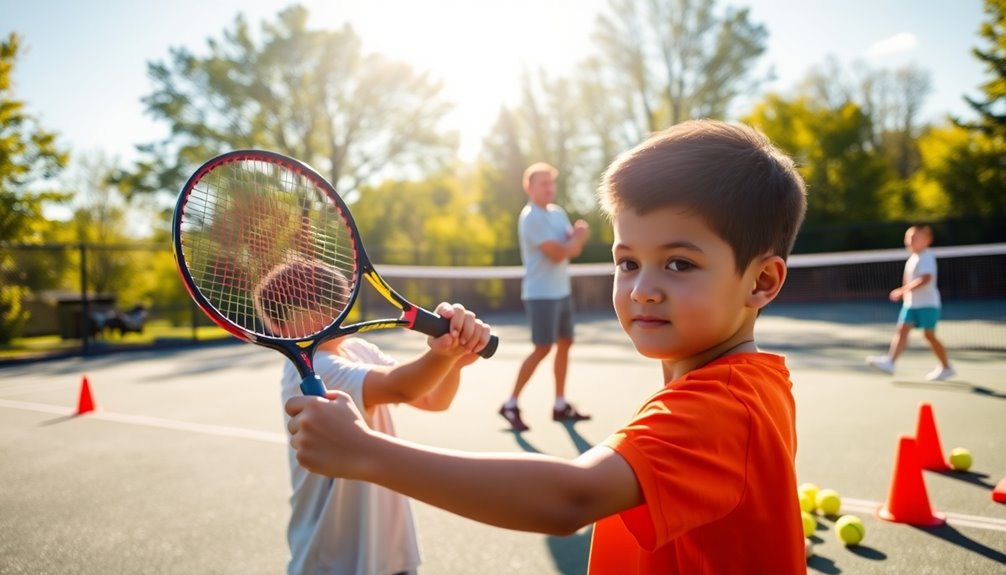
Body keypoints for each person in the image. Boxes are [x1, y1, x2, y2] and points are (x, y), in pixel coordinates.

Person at [284, 120, 809, 574]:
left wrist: (366, 452)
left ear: (761, 281)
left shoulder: (722, 406)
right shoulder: (748, 383)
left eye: (679, 263)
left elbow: (570, 499)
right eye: (627, 262)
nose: (642, 287)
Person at [254, 259, 493, 575]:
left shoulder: (359, 350)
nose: (326, 311)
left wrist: (454, 363)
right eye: (311, 305)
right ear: (279, 328)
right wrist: (442, 355)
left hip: (390, 554)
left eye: (329, 300)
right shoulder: (309, 370)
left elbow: (433, 399)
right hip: (333, 560)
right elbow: (401, 388)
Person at [500, 162, 591, 432]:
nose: (549, 188)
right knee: (542, 348)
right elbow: (558, 252)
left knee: (565, 342)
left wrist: (574, 241)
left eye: (551, 183)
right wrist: (579, 237)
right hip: (540, 295)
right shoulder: (531, 217)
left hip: (561, 292)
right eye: (543, 183)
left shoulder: (557, 213)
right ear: (529, 187)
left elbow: (569, 250)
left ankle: (560, 404)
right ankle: (510, 403)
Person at [867, 224, 956, 381]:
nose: (909, 240)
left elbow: (925, 278)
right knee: (901, 331)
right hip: (911, 304)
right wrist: (905, 294)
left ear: (927, 240)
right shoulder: (912, 258)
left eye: (914, 237)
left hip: (928, 304)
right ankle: (890, 362)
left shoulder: (926, 256)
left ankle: (946, 367)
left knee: (929, 336)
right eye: (908, 237)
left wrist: (902, 290)